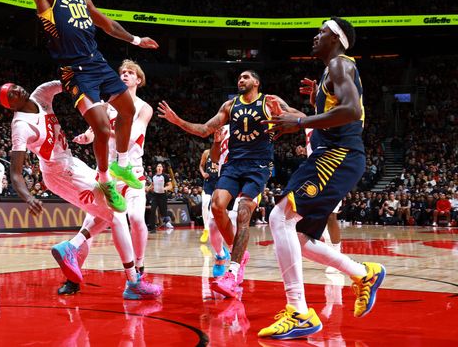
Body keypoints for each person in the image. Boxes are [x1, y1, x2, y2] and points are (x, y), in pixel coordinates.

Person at [0, 0, 159, 213]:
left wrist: (135, 39)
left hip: (99, 64)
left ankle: (120, 166)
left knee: (128, 111)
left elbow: (108, 25)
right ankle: (106, 178)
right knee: (103, 128)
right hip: (74, 71)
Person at [258, 17, 386, 340]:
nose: (316, 37)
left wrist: (300, 121)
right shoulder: (332, 72)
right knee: (298, 237)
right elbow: (340, 109)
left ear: (337, 38)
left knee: (279, 216)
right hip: (329, 155)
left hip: (338, 156)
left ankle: (299, 311)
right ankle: (363, 274)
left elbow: (352, 112)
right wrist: (317, 97)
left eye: (322, 32)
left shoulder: (341, 65)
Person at [0, 80, 161, 300]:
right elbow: (15, 173)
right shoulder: (20, 127)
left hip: (73, 164)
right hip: (60, 174)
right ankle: (133, 281)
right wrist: (28, 197)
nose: (19, 89)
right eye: (13, 94)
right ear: (12, 106)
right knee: (117, 215)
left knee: (107, 215)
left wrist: (91, 83)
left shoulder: (39, 94)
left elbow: (68, 83)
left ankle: (73, 249)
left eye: (16, 86)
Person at [158, 71, 293, 298]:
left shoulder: (270, 101)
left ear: (257, 83)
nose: (241, 80)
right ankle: (238, 252)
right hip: (234, 165)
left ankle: (233, 271)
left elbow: (298, 119)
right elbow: (204, 129)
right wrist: (177, 121)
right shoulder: (230, 106)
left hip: (258, 166)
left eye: (246, 77)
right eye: (239, 77)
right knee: (217, 206)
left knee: (243, 212)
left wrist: (283, 119)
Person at [66, 59, 154, 294]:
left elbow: (132, 135)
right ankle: (73, 277)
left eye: (130, 73)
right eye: (122, 72)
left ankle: (140, 268)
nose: (124, 75)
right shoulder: (105, 106)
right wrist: (87, 137)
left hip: (131, 172)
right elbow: (92, 131)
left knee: (135, 219)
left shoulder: (144, 108)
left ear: (138, 79)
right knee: (89, 223)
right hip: (105, 173)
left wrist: (102, 132)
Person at [198, 142, 220, 244]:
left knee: (215, 208)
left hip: (218, 183)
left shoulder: (222, 153)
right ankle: (206, 229)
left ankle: (215, 229)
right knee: (205, 204)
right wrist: (203, 173)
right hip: (208, 183)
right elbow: (201, 166)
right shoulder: (206, 153)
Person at [151, 163, 173, 229]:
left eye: (160, 166)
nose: (159, 167)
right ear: (156, 168)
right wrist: (148, 188)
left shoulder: (165, 176)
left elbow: (170, 186)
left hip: (162, 196)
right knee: (152, 210)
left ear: (162, 169)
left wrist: (165, 188)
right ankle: (152, 228)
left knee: (163, 211)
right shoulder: (153, 176)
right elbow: (152, 185)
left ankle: (167, 222)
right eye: (158, 166)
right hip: (155, 195)